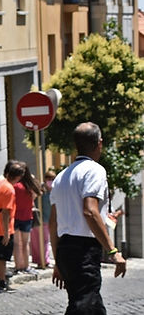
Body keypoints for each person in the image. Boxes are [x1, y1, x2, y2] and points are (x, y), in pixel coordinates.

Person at [50, 122, 126, 314]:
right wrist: (113, 250)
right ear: (99, 143)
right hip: (83, 249)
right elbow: (90, 211)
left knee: (89, 304)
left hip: (65, 249)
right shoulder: (95, 170)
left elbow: (52, 222)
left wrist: (58, 259)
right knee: (85, 305)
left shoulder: (61, 177)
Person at [0, 160, 24, 293]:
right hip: (2, 228)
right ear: (18, 177)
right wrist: (7, 233)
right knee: (2, 257)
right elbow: (6, 211)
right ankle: (1, 284)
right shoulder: (9, 189)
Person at [12, 164, 41, 274]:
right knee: (25, 243)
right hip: (27, 216)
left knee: (16, 243)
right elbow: (36, 195)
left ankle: (18, 266)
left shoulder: (15, 186)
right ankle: (26, 266)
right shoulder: (31, 186)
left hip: (15, 216)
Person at [30, 169, 55, 268]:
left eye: (53, 179)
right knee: (38, 241)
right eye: (49, 179)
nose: (50, 181)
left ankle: (45, 260)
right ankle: (41, 260)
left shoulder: (55, 190)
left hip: (51, 219)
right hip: (40, 219)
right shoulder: (40, 189)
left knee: (47, 241)